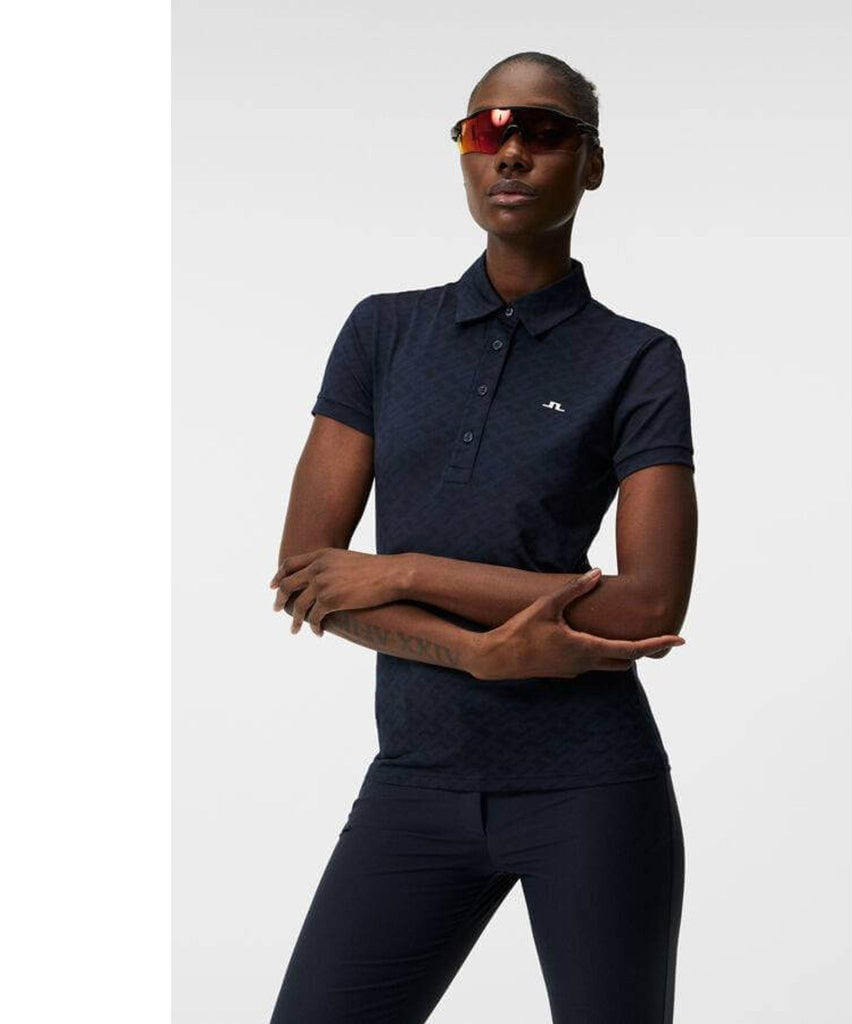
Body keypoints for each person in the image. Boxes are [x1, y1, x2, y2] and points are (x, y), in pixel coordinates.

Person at [266, 50, 698, 1024]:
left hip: (591, 787)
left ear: (591, 162)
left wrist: (404, 569)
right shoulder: (383, 334)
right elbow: (308, 578)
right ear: (463, 154)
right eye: (484, 130)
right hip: (415, 783)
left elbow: (649, 605)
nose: (509, 152)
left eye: (542, 132)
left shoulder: (635, 358)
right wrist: (475, 654)